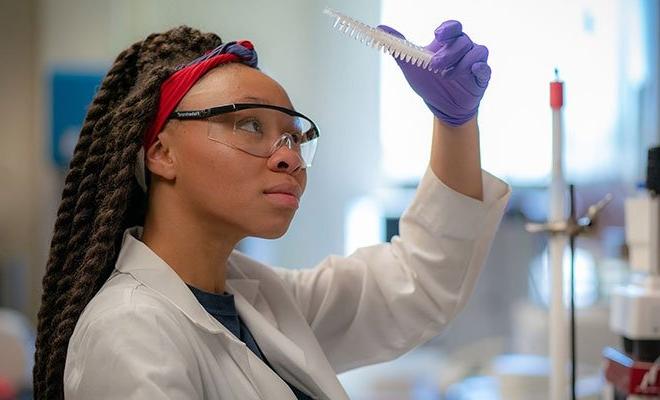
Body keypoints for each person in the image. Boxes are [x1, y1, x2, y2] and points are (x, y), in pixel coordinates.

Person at [34, 20, 510, 399]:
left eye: (294, 136)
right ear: (160, 152)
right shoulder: (130, 331)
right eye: (249, 125)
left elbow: (413, 285)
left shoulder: (257, 299)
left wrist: (456, 123)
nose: (290, 156)